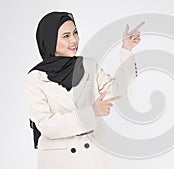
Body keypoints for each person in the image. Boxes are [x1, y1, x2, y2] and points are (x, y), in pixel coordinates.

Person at [26, 11, 144, 169]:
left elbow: (119, 92)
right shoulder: (35, 78)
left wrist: (126, 50)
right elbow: (47, 126)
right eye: (66, 36)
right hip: (58, 161)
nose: (74, 40)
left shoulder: (88, 66)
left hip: (92, 159)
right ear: (49, 39)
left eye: (75, 33)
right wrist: (91, 112)